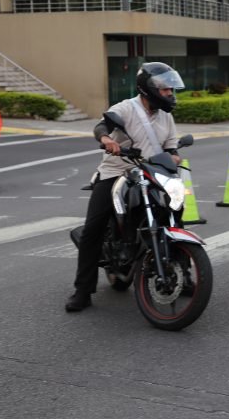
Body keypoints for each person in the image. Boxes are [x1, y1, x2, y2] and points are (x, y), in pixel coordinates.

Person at [65, 62, 185, 312]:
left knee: (175, 212)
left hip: (152, 173)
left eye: (171, 90)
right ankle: (83, 290)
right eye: (165, 90)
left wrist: (174, 157)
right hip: (117, 171)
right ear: (150, 89)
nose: (170, 95)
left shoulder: (166, 116)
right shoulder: (125, 108)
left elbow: (171, 147)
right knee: (93, 229)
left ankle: (183, 274)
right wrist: (107, 139)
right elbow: (102, 126)